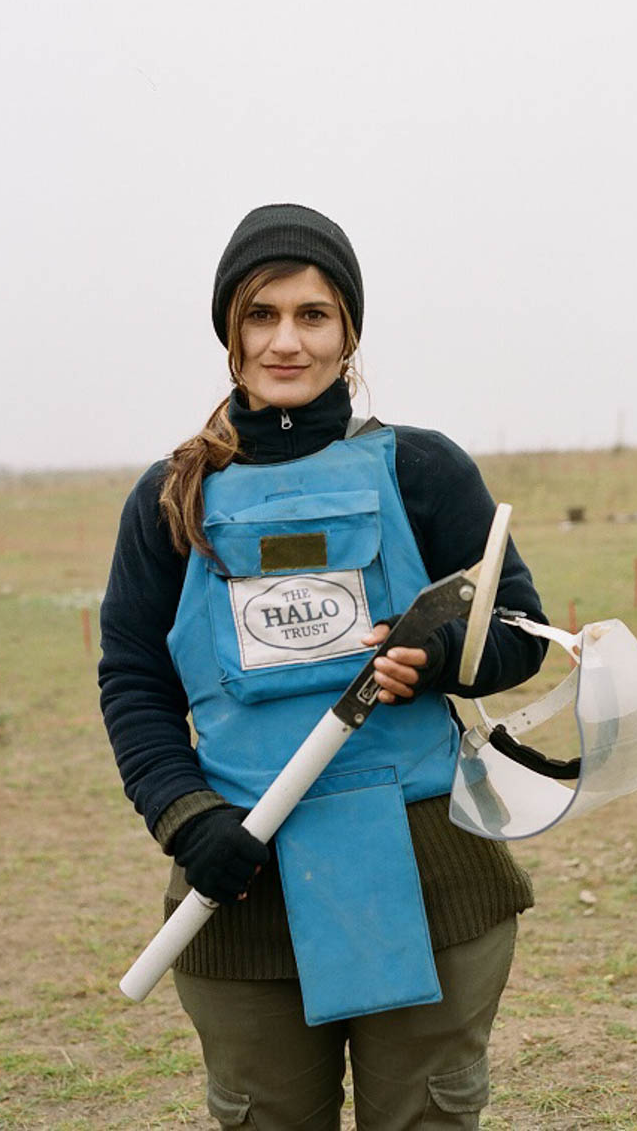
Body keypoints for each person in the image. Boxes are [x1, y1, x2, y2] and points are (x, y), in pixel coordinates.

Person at [99, 203, 549, 1130]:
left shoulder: (425, 470)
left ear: (348, 330)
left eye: (312, 315)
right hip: (243, 880)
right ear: (229, 333)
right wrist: (188, 822)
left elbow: (519, 632)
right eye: (261, 315)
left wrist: (431, 658)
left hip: (430, 874)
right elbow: (134, 681)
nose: (286, 341)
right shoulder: (168, 498)